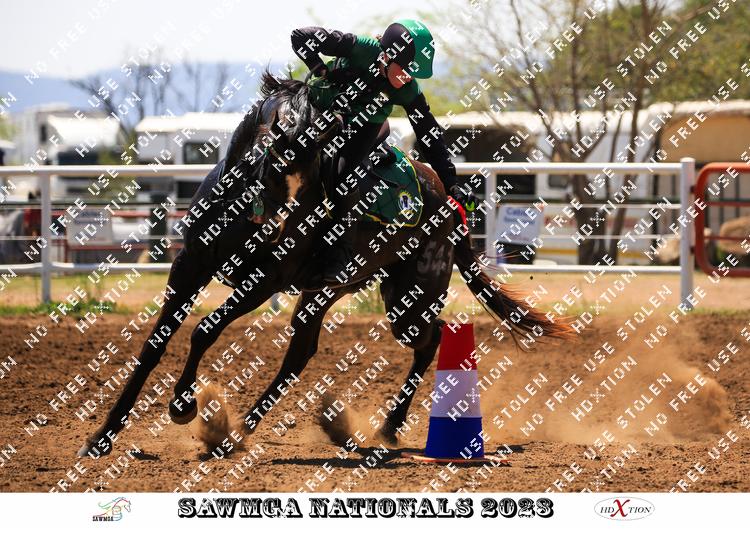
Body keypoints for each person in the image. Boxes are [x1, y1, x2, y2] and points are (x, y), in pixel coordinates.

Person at [291, 19, 475, 284]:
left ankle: (341, 254)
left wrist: (451, 183)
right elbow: (299, 36)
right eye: (406, 70)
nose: (408, 78)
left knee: (344, 176)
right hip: (322, 110)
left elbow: (430, 136)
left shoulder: (408, 89)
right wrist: (320, 69)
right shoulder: (360, 48)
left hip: (366, 127)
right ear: (387, 55)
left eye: (412, 73)